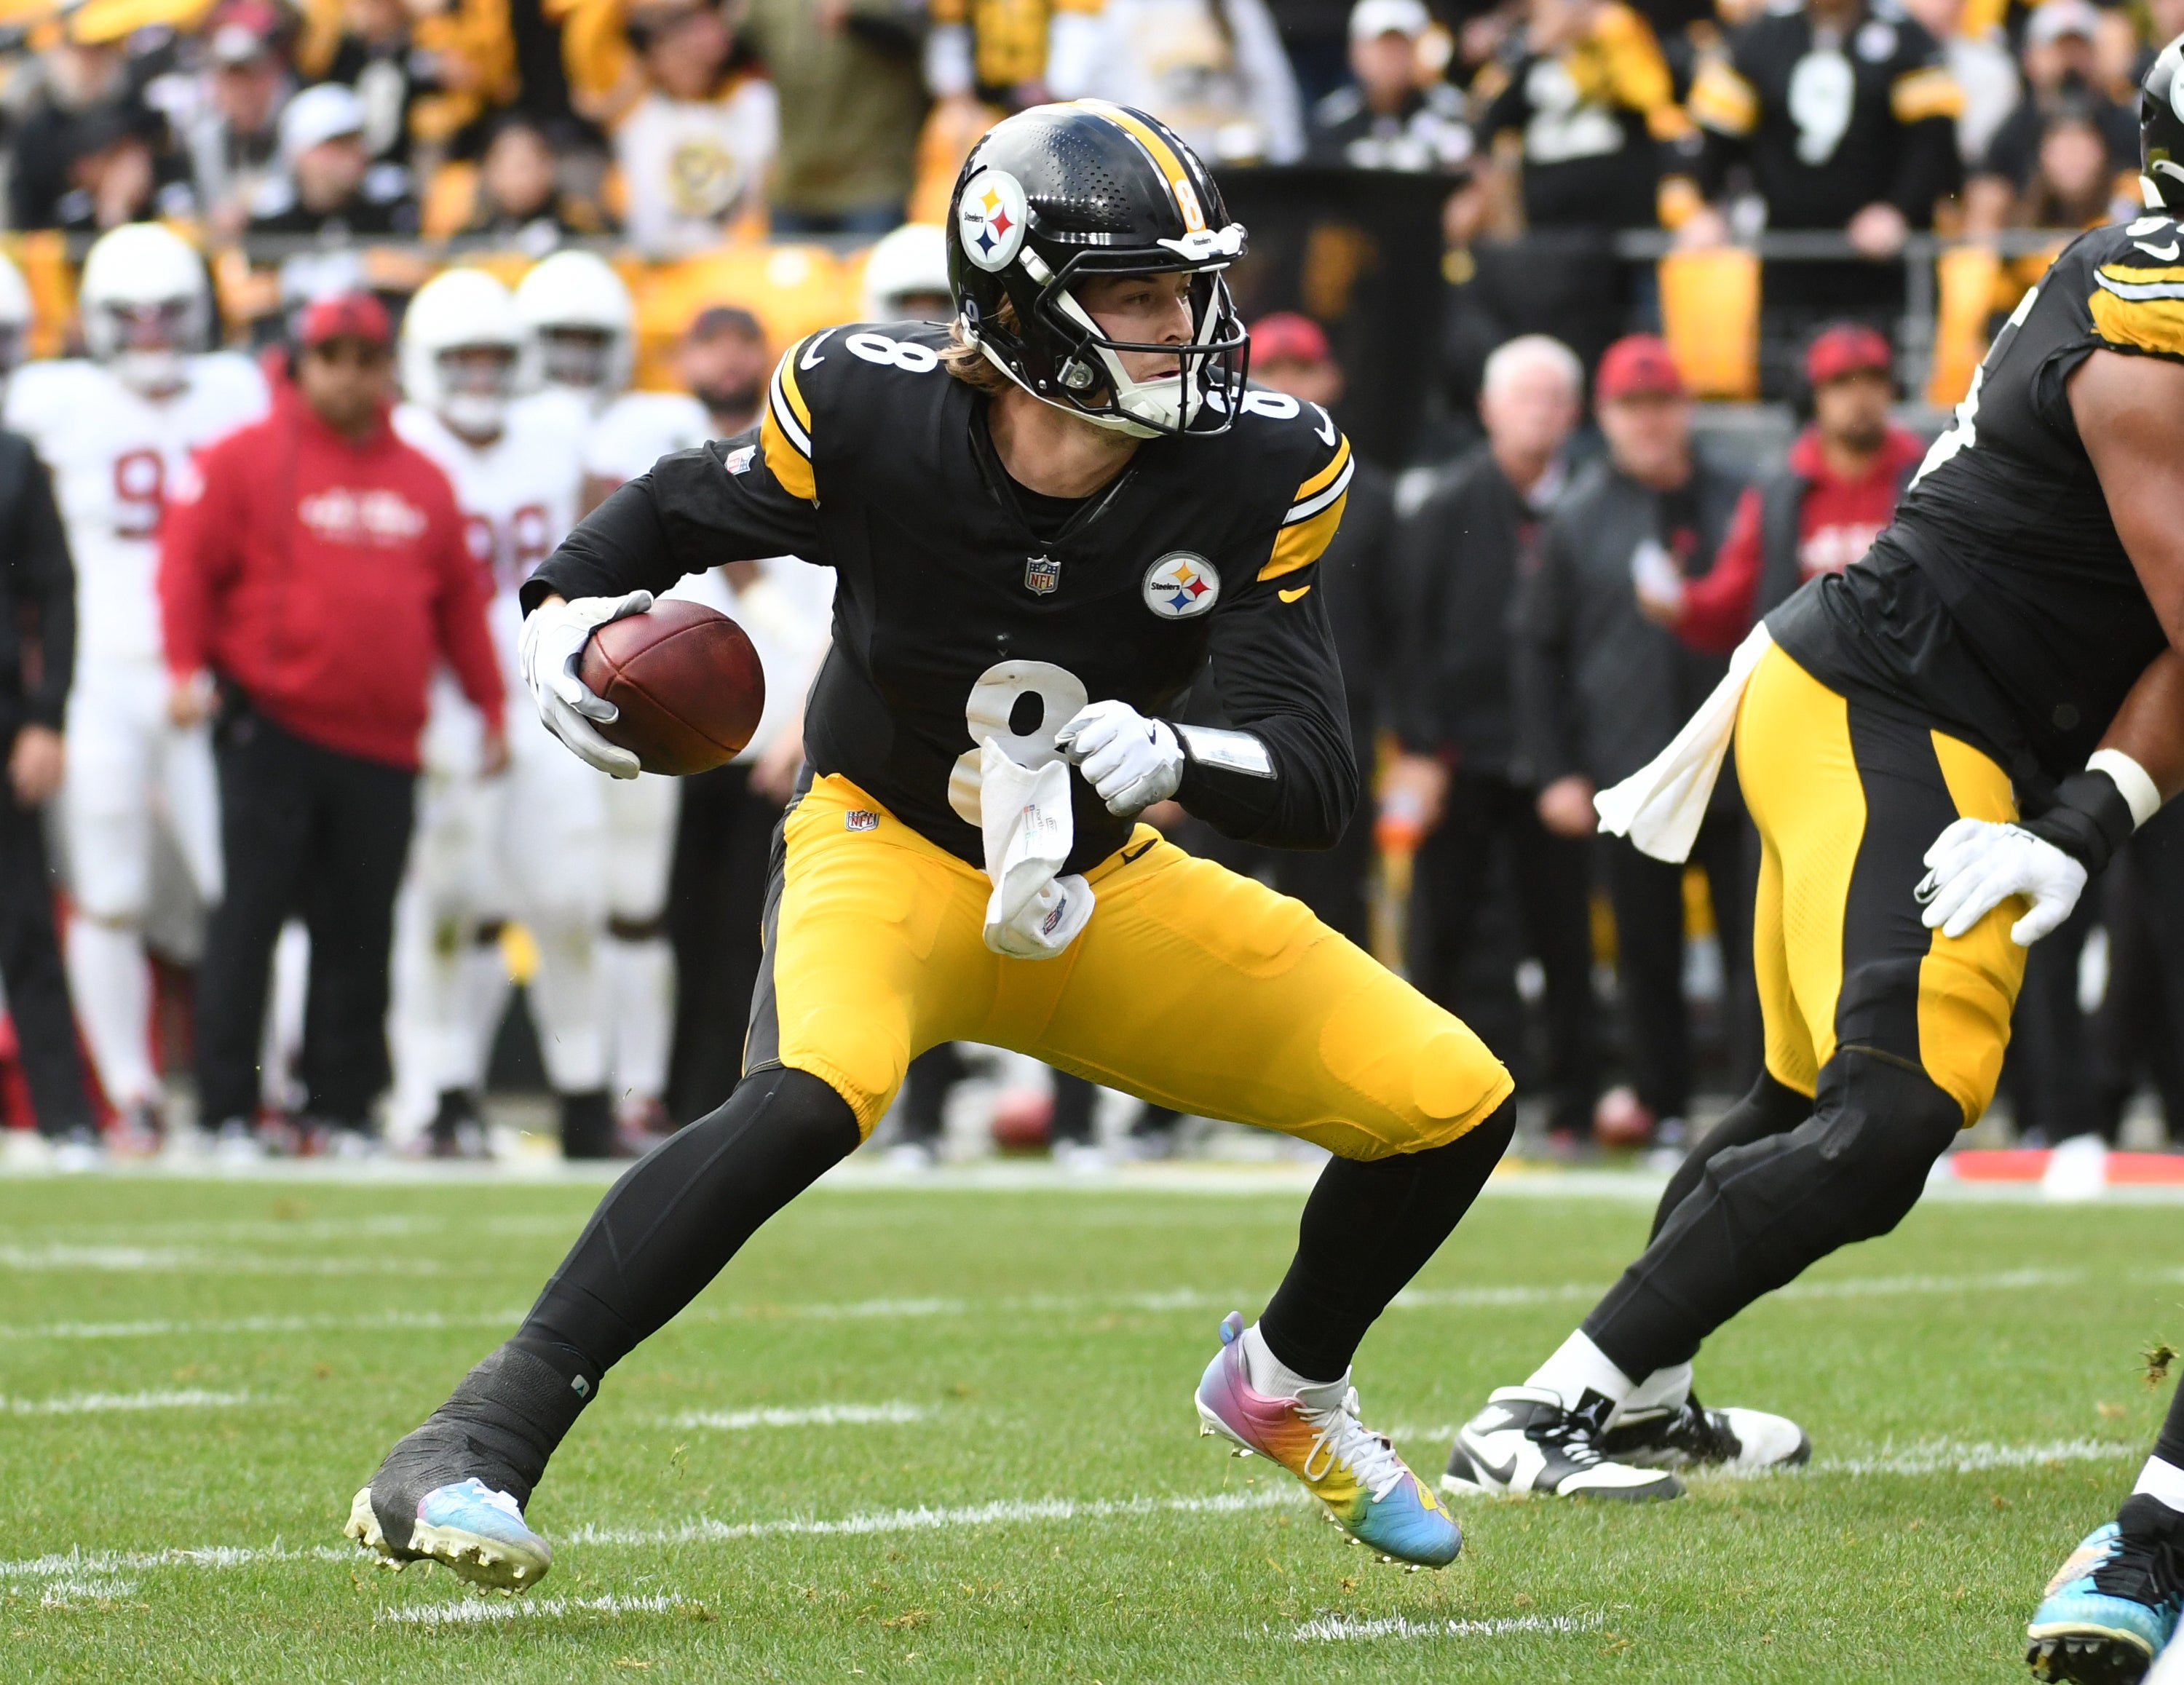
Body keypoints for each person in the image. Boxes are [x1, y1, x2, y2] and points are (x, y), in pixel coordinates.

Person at [347, 100, 1514, 1590]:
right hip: (882, 843)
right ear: (1023, 298)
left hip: (1095, 882)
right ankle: (469, 1441)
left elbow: (1314, 775)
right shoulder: (870, 406)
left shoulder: (1259, 463)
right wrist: (564, 617)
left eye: (1190, 286)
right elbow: (682, 508)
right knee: (814, 1092)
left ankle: (1288, 1379)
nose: (1188, 324)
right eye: (1141, 293)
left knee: (1450, 1100)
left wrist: (1175, 752)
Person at [1447, 41, 2184, 1610]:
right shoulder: (2148, 351)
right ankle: (1548, 1404)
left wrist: (2085, 809)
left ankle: (1638, 1386)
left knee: (1798, 1097)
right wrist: (2079, 824)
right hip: (1900, 703)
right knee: (1896, 1107)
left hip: (1903, 696)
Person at [160, 292, 503, 1153]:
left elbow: (461, 602)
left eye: (365, 357)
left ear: (389, 367)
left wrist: (490, 700)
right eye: (333, 356)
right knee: (251, 919)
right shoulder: (243, 458)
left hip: (384, 740)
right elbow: (187, 566)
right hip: (272, 723)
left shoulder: (423, 478)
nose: (350, 375)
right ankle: (228, 1110)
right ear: (301, 363)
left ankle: (340, 1107)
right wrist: (180, 664)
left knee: (363, 928)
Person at [5, 223, 269, 1150]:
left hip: (204, 669)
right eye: (133, 317)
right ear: (94, 321)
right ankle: (132, 1090)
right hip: (101, 674)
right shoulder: (54, 400)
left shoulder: (235, 389)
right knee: (108, 888)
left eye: (170, 315)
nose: (153, 335)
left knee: (240, 885)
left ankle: (268, 1083)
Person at [387, 269, 610, 1157]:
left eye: (494, 358)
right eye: (461, 359)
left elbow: (605, 533)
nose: (480, 376)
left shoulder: (557, 431)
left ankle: (586, 1090)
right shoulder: (402, 444)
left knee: (571, 901)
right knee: (441, 907)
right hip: (441, 702)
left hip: (543, 697)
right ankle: (432, 1092)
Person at [1511, 333, 1752, 1150]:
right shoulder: (1579, 517)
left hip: (1738, 760)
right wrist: (1558, 769)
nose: (1650, 423)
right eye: (1632, 407)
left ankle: (1766, 1099)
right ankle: (1663, 1103)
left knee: (1758, 942)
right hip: (1635, 767)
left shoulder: (1739, 498)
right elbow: (1538, 650)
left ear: (1684, 407)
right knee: (1644, 951)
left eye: (1662, 404)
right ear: (1606, 417)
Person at [1390, 332, 1599, 1146]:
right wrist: (1419, 745)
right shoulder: (1444, 506)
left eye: (1552, 398)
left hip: (1559, 761)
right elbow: (1411, 635)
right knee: (1439, 931)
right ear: (1486, 408)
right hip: (1461, 754)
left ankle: (1574, 1106)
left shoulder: (1588, 503)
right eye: (1523, 396)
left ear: (1574, 413)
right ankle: (1425, 1095)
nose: (1537, 413)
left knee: (1566, 935)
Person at [1683, 0, 1963, 393]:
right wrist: (1705, 205)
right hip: (1789, 264)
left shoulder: (1907, 38)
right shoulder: (1763, 37)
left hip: (1881, 270)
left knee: (1880, 398)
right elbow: (1716, 134)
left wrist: (1899, 210)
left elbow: (1934, 144)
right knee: (1787, 395)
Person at [1633, 320, 1923, 651]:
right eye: (1840, 382)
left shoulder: (1927, 475)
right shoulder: (1780, 492)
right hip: (1809, 678)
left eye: (1874, 378)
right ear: (1812, 395)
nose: (1860, 396)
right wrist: (1681, 603)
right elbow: (1733, 599)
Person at [0, 255, 101, 1162]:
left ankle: (66, 1115)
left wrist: (46, 715)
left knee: (26, 920)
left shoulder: (16, 458)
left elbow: (57, 596)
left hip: (2, 717)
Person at [612, 0, 778, 256]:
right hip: (656, 269)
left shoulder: (753, 102)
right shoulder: (634, 110)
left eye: (688, 49)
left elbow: (764, 191)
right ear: (650, 58)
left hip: (739, 263)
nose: (683, 61)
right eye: (670, 50)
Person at [1306, 0, 1473, 173]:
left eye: (1402, 45)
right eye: (1381, 45)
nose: (1392, 57)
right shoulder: (1331, 122)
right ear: (1356, 51)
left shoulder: (1454, 114)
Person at [245, 81, 418, 238]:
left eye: (357, 140)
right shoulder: (272, 215)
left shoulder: (392, 205)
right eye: (338, 144)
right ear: (300, 154)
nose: (355, 153)